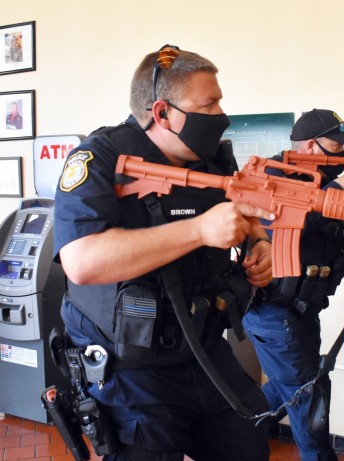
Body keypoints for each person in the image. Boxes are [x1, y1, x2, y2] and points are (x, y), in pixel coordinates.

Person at [53, 45, 275, 461]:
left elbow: (243, 209)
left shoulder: (213, 160)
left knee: (248, 441)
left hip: (203, 346)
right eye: (209, 104)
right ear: (162, 112)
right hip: (130, 365)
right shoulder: (99, 158)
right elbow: (81, 262)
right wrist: (197, 230)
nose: (221, 113)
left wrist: (257, 240)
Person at [241, 109, 344, 461]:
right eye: (336, 147)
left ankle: (228, 433)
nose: (342, 157)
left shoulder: (326, 184)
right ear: (310, 145)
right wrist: (336, 191)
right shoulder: (272, 175)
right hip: (274, 311)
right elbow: (279, 223)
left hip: (303, 310)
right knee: (310, 399)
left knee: (289, 387)